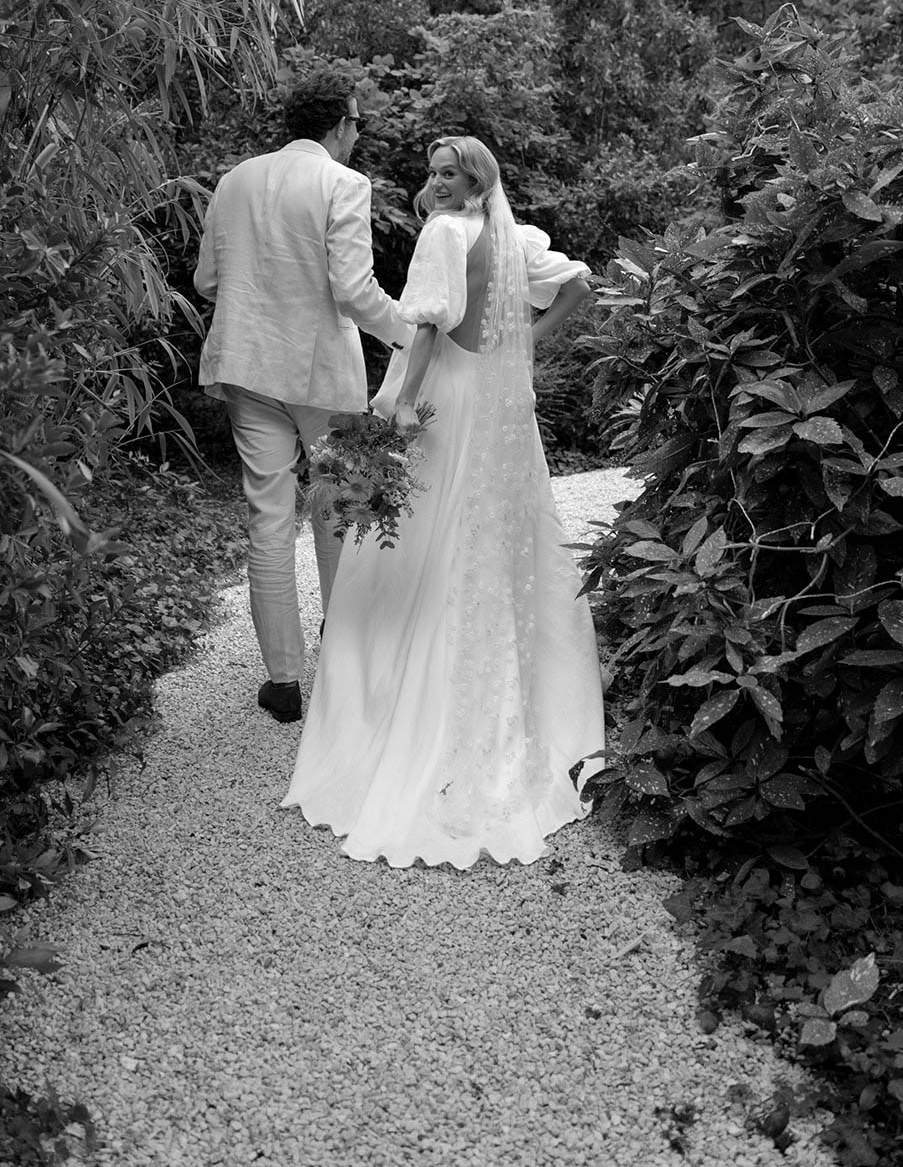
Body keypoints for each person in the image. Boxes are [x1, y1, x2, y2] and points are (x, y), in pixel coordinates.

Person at [282, 136, 605, 868]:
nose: (433, 182)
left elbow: (425, 326)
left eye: (446, 172)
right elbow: (580, 284)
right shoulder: (513, 235)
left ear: (473, 178)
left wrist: (396, 404)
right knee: (500, 526)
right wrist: (522, 344)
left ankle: (413, 708)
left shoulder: (442, 233)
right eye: (430, 171)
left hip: (453, 396)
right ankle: (522, 697)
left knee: (427, 533)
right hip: (503, 401)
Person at [194, 69, 405, 724]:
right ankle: (339, 658)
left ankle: (282, 683)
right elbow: (352, 290)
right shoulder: (343, 183)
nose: (357, 135)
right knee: (337, 510)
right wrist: (410, 334)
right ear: (338, 124)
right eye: (357, 123)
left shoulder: (234, 181)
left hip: (247, 366)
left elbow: (207, 279)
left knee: (267, 517)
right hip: (318, 371)